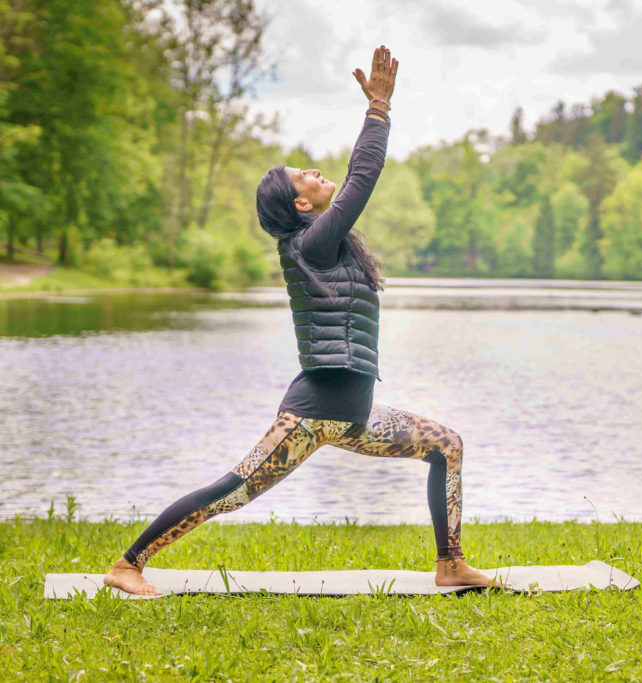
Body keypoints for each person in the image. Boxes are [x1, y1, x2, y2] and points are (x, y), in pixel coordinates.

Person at [103, 45, 505, 596]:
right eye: (304, 176)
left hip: (356, 414)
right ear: (300, 206)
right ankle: (128, 564)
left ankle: (451, 564)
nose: (317, 173)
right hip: (314, 416)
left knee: (446, 444)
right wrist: (379, 109)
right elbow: (362, 177)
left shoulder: (329, 247)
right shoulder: (310, 244)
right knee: (235, 490)